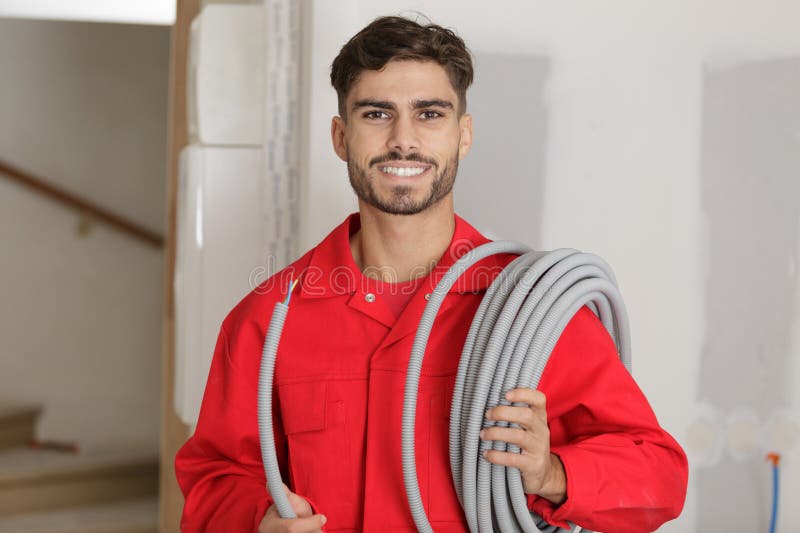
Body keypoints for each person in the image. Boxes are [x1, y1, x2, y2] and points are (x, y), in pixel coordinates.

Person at [175, 15, 688, 533]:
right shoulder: (270, 317)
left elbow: (659, 477)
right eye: (377, 113)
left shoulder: (527, 311)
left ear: (462, 135)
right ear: (340, 135)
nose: (403, 140)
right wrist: (257, 522)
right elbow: (214, 477)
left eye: (429, 114)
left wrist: (549, 471)